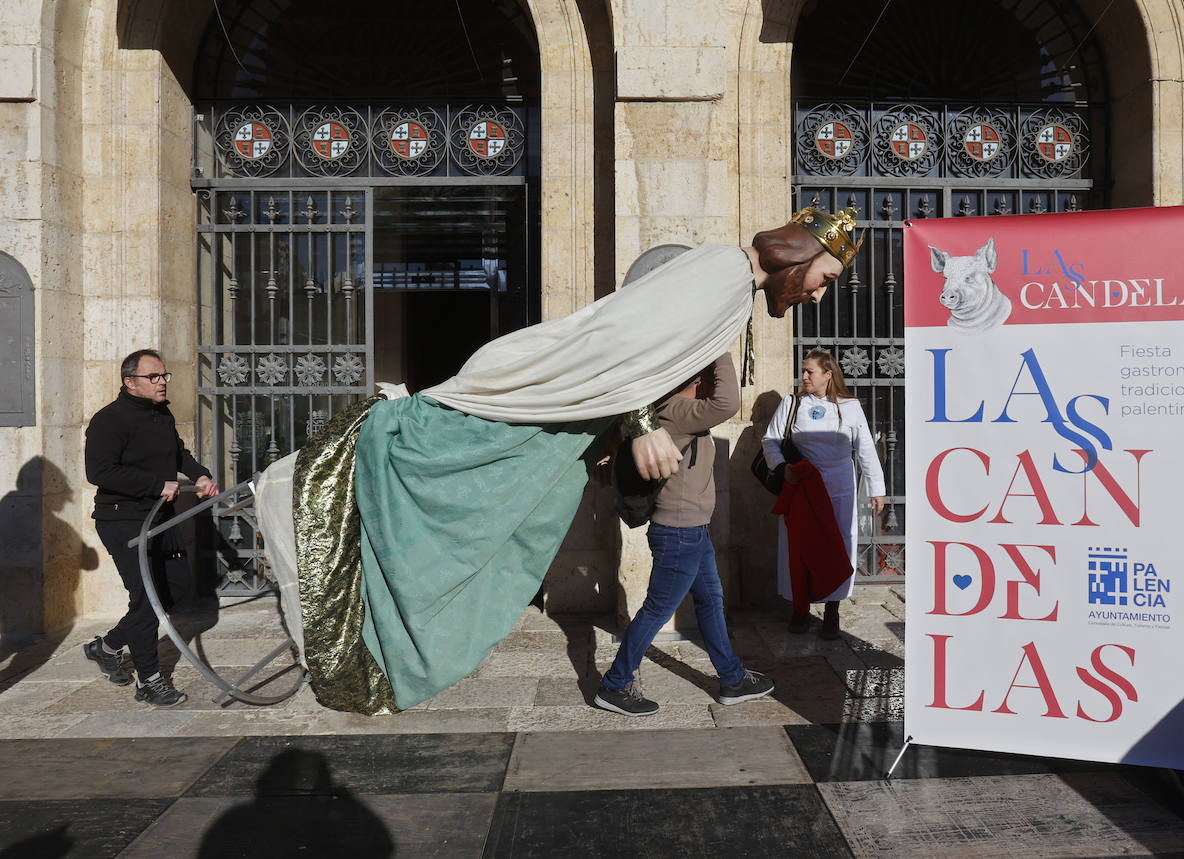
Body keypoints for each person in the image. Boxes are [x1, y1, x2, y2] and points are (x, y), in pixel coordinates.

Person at [254, 206, 863, 714]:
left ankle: (726, 674)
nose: (820, 291)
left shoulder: (733, 287)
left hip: (577, 414)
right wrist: (643, 423)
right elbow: (624, 336)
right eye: (826, 277)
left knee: (503, 496)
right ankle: (341, 472)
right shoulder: (726, 276)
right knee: (461, 458)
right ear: (798, 256)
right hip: (560, 391)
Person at [595, 353, 774, 716]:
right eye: (707, 376)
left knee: (710, 601)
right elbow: (728, 402)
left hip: (692, 531)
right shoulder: (675, 410)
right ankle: (614, 684)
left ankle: (732, 679)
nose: (712, 384)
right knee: (657, 609)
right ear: (696, 378)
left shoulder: (679, 411)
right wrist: (720, 347)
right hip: (679, 533)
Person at [84, 349, 221, 707]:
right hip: (123, 520)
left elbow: (178, 454)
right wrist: (155, 484)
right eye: (154, 377)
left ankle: (108, 645)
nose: (162, 382)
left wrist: (200, 474)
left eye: (164, 376)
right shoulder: (109, 420)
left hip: (160, 517)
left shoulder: (161, 414)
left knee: (175, 587)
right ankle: (150, 680)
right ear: (130, 382)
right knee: (146, 600)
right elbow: (99, 472)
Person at [762, 348, 885, 639]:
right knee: (800, 545)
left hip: (839, 486)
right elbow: (771, 441)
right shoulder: (791, 404)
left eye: (810, 371)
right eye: (803, 371)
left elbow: (865, 448)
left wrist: (877, 488)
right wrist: (783, 468)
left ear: (827, 375)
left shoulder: (851, 406)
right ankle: (800, 609)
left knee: (838, 544)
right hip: (803, 486)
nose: (803, 376)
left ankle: (832, 609)